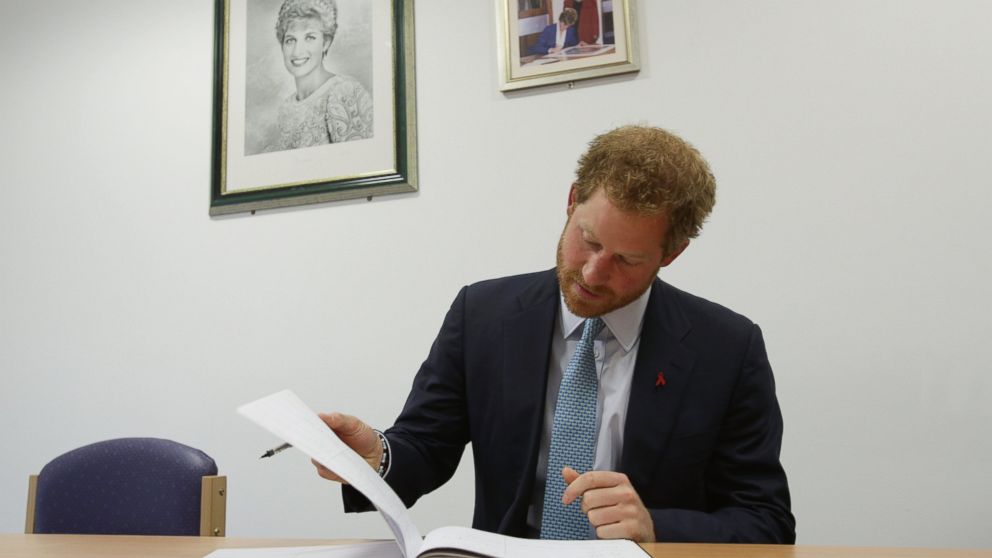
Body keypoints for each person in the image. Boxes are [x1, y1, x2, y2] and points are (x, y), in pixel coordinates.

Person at [314, 126, 796, 544]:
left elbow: (765, 521)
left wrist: (655, 527)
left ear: (670, 255)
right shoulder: (482, 316)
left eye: (626, 260)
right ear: (570, 203)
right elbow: (426, 449)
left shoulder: (727, 349)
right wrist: (375, 457)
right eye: (588, 239)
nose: (592, 272)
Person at [273, 0, 372, 151]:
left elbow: (361, 162)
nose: (297, 51)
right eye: (290, 40)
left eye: (310, 37)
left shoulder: (344, 92)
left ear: (326, 42)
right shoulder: (286, 108)